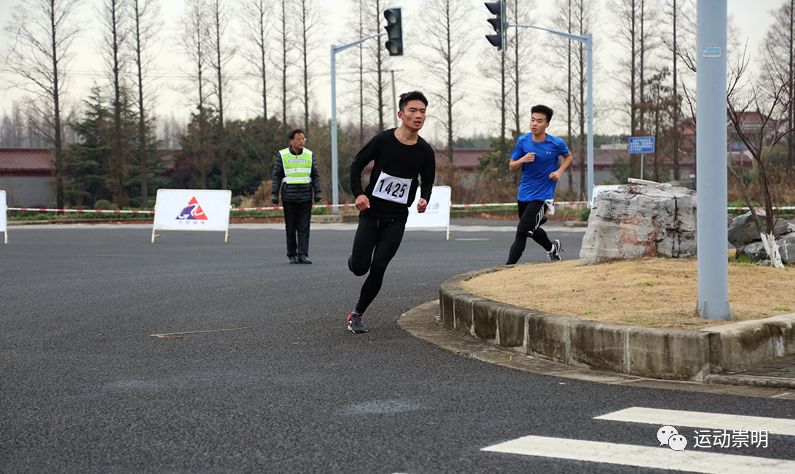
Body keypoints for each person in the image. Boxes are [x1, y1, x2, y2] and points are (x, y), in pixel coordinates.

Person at [345, 91, 436, 334]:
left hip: (396, 219)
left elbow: (427, 180)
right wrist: (359, 194)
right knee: (360, 267)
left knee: (379, 266)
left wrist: (425, 198)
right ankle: (354, 260)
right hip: (371, 213)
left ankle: (357, 314)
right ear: (401, 114)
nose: (418, 116)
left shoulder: (425, 151)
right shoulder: (383, 141)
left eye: (422, 111)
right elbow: (356, 164)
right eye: (413, 110)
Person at [505, 104, 573, 265]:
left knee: (522, 231)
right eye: (532, 120)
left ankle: (507, 268)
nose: (534, 124)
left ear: (547, 124)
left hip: (543, 196)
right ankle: (552, 248)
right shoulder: (523, 141)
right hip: (524, 193)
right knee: (531, 228)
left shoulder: (556, 143)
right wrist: (522, 160)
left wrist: (559, 171)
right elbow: (511, 166)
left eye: (539, 121)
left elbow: (568, 156)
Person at [272, 129, 322, 264]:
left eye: (303, 139)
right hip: (289, 196)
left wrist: (318, 192)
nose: (301, 141)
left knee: (304, 227)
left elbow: (315, 175)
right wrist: (274, 194)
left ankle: (303, 254)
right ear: (291, 141)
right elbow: (276, 176)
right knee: (291, 227)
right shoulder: (282, 155)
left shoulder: (309, 154)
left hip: (306, 196)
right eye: (299, 139)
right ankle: (292, 254)